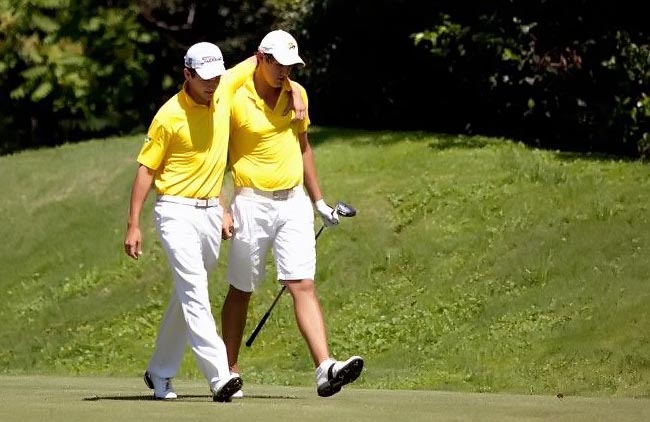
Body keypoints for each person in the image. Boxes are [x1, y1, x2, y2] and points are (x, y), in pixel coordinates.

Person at [220, 29, 364, 398]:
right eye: (279, 64)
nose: (285, 72)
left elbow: (303, 148)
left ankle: (325, 368)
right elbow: (213, 154)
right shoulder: (233, 96)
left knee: (302, 284)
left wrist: (318, 202)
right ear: (261, 58)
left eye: (291, 66)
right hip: (250, 202)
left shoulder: (296, 94)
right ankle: (228, 371)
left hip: (293, 202)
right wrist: (220, 205)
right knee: (242, 289)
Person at [123, 42, 258, 402]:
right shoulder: (168, 116)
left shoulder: (223, 89)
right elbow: (145, 170)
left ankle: (159, 371)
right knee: (196, 290)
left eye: (217, 77)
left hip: (210, 212)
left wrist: (294, 90)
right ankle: (220, 376)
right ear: (188, 74)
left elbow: (261, 58)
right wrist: (134, 224)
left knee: (187, 295)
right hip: (175, 211)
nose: (213, 85)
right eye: (205, 79)